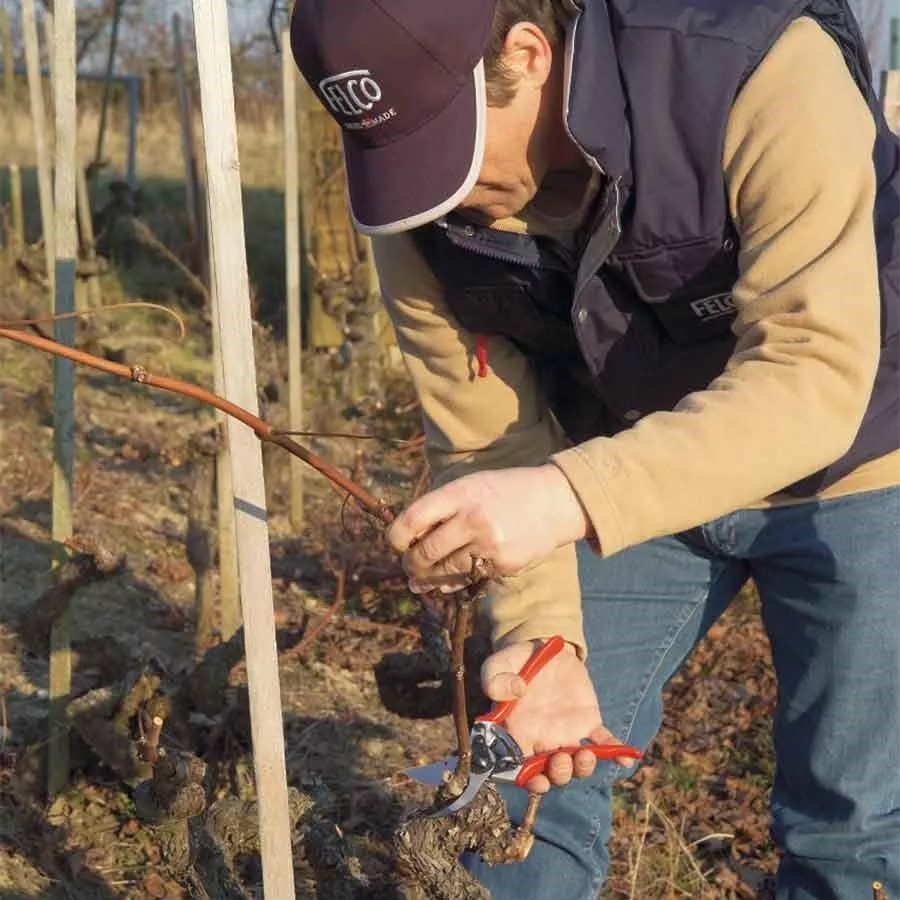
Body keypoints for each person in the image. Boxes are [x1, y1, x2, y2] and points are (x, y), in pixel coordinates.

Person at [290, 0, 900, 896]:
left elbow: (815, 372)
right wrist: (542, 644)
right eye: (403, 153)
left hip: (867, 453)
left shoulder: (751, 65)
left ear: (530, 53)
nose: (438, 193)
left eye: (449, 142)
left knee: (850, 829)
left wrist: (566, 497)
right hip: (626, 458)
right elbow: (483, 433)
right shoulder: (417, 197)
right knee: (525, 781)